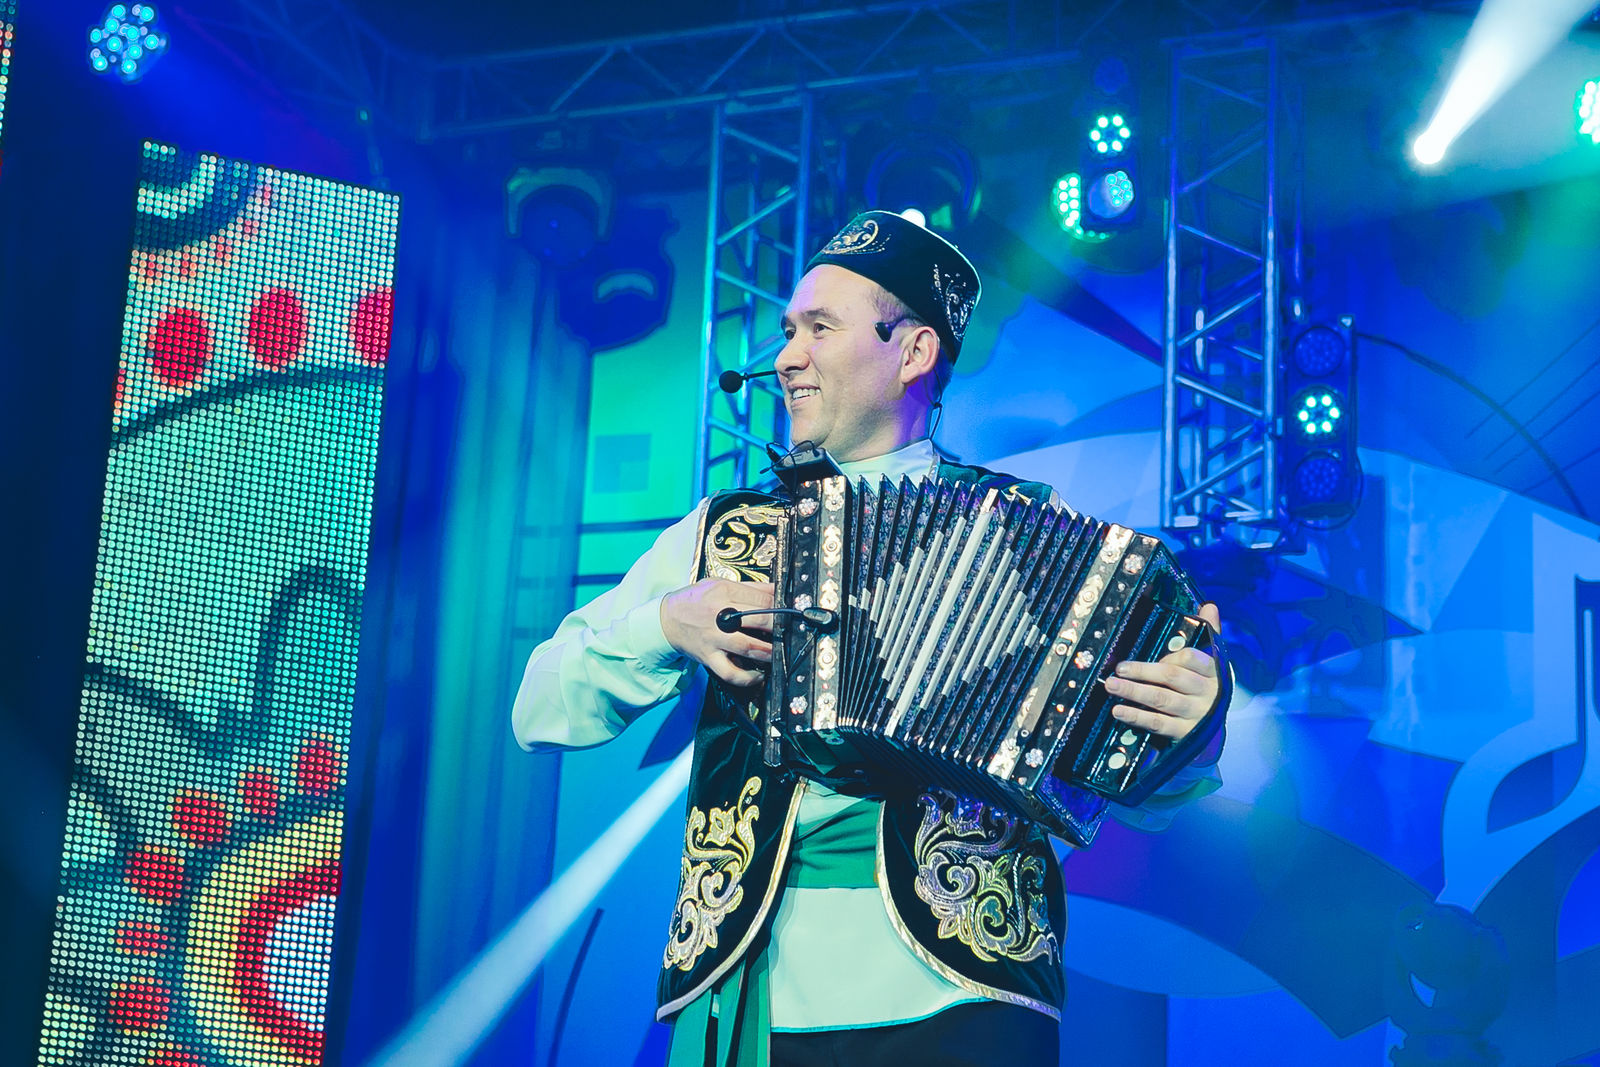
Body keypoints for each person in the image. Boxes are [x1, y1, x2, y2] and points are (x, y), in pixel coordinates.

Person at [514, 210, 1229, 1066]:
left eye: (819, 328)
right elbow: (538, 706)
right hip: (757, 982)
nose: (787, 356)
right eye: (788, 330)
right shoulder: (722, 533)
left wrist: (1194, 727)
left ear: (914, 352)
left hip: (967, 993)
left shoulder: (1031, 535)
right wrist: (667, 622)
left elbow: (1140, 795)